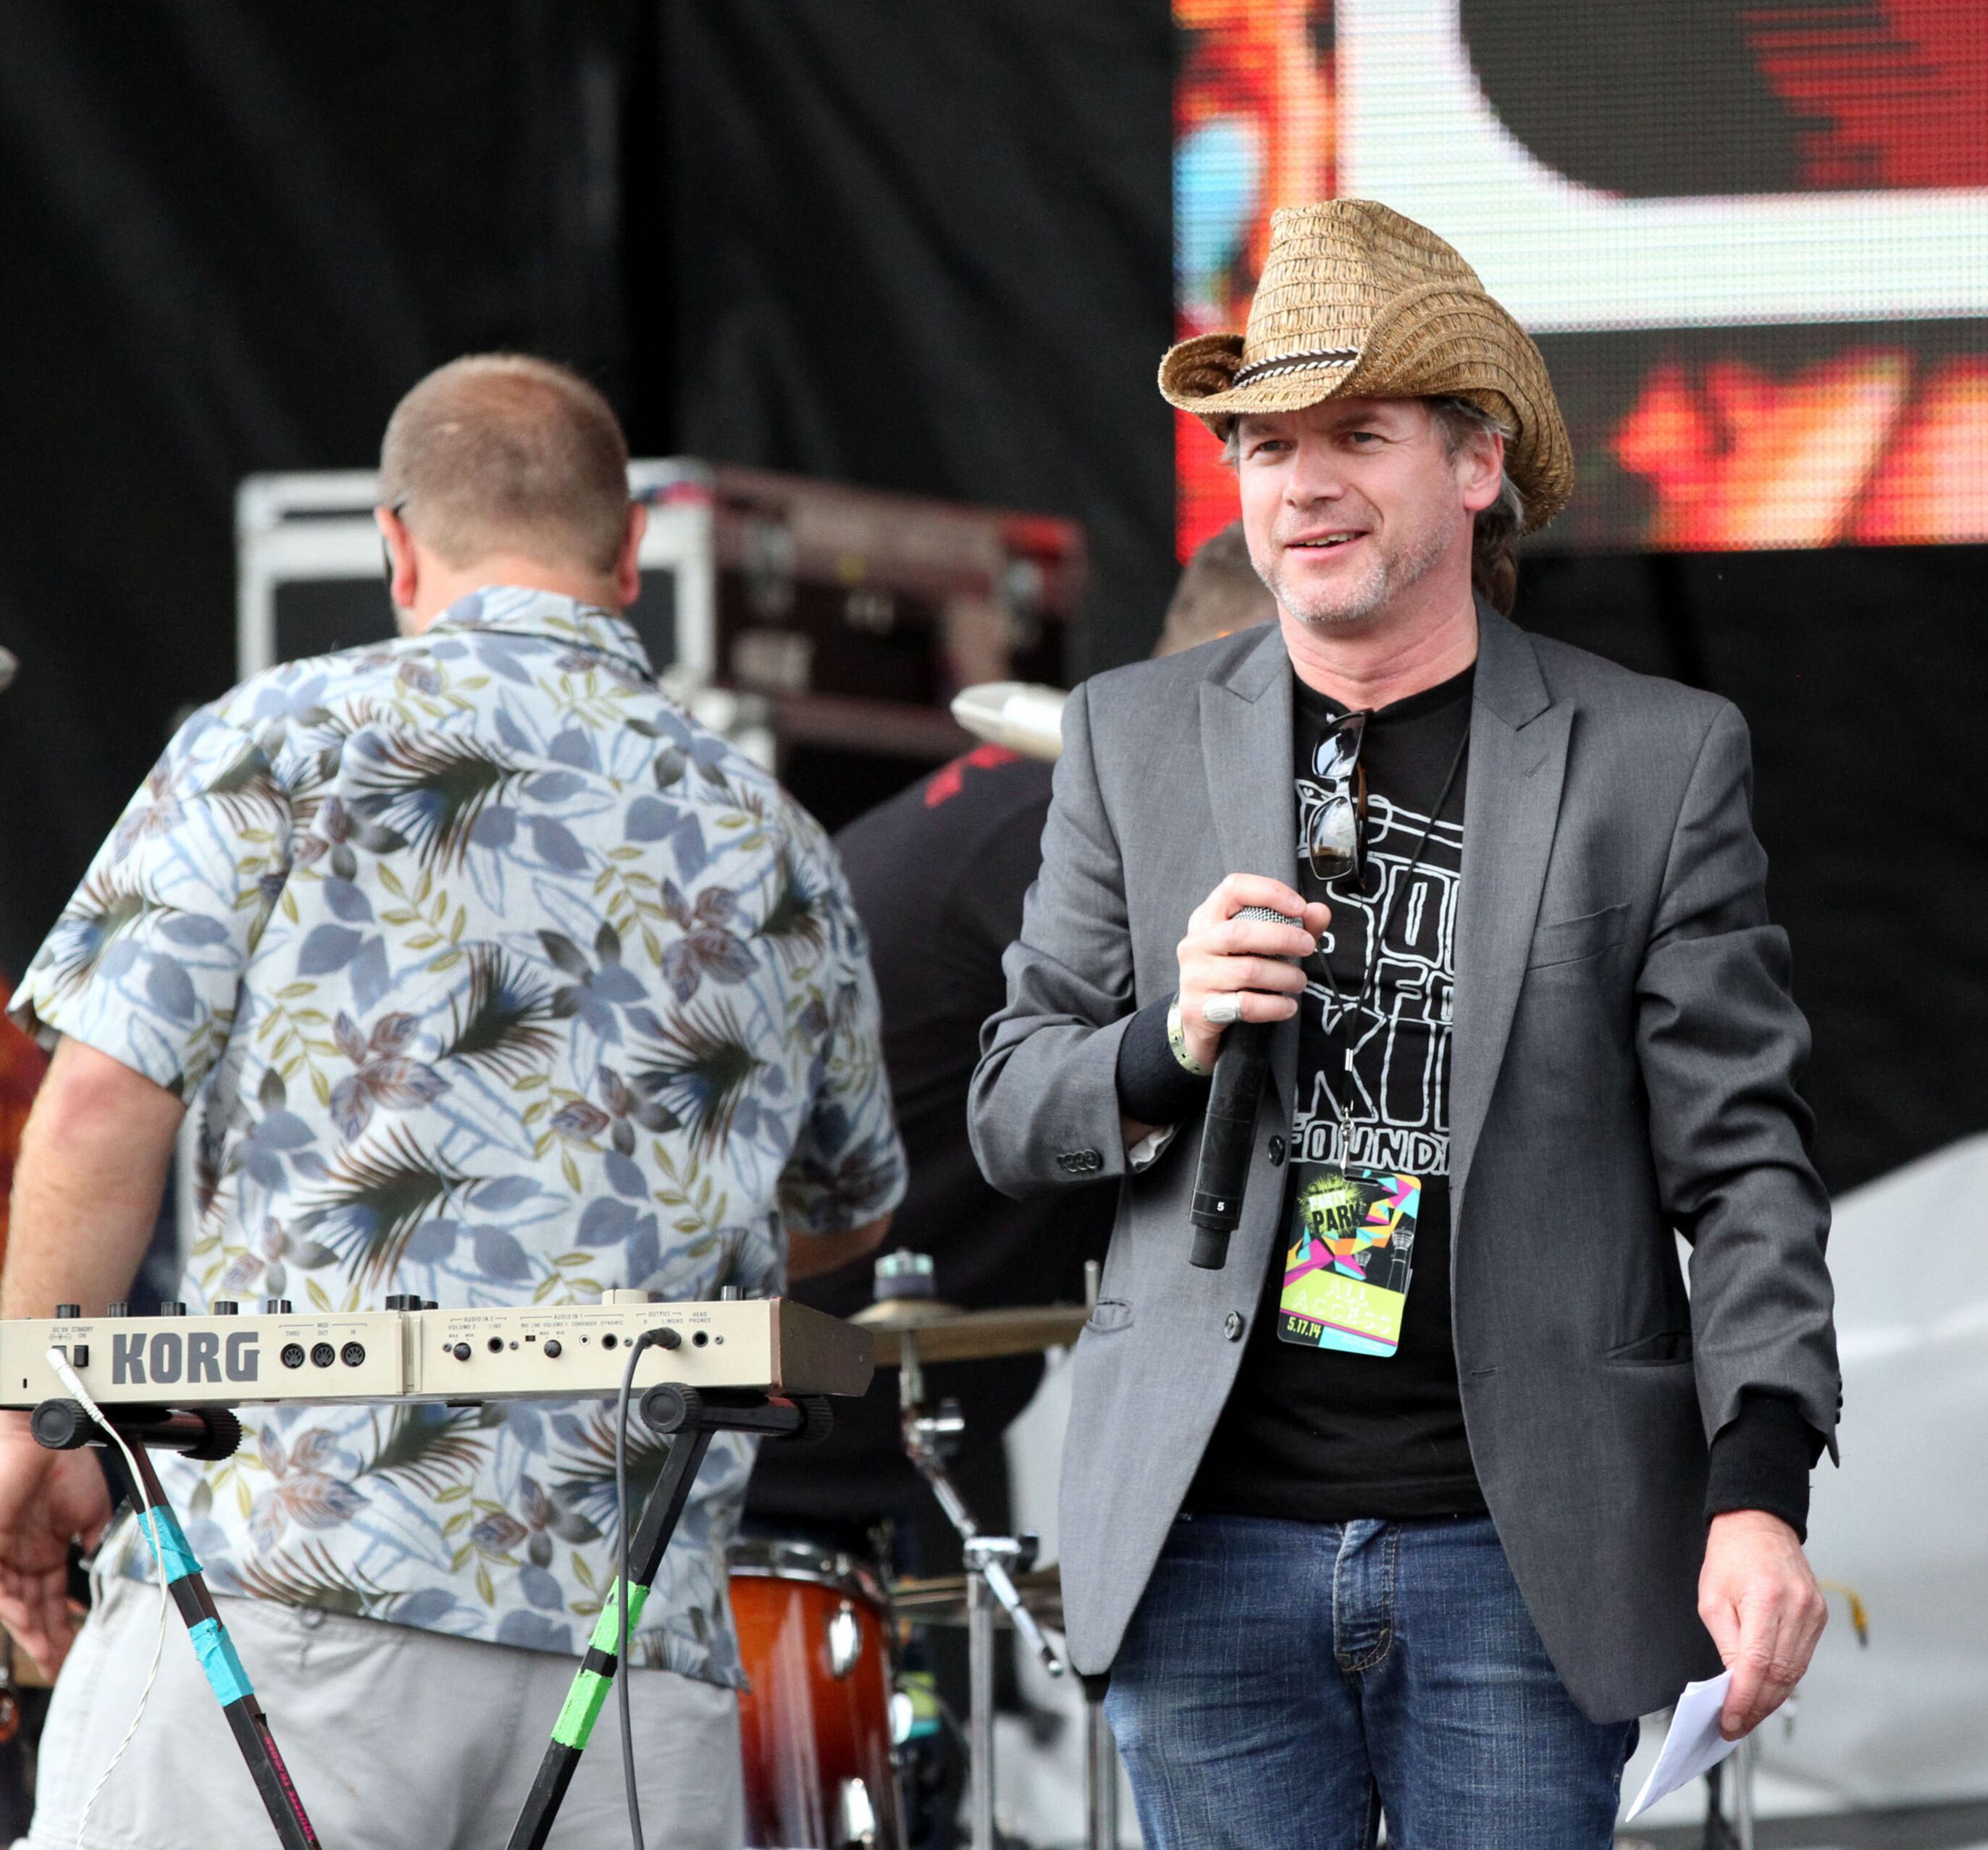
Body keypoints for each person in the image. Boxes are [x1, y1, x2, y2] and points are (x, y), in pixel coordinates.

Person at [970, 199, 1841, 1847]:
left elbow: (1746, 1170)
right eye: (1267, 445)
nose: (1301, 484)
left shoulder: (1653, 757)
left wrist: (1759, 1490)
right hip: (1206, 1551)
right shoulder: (1130, 737)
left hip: (1515, 1555)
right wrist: (1169, 1039)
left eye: (1358, 434)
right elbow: (1015, 1108)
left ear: (1477, 461)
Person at [0, 353, 904, 1850]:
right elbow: (843, 1208)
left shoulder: (280, 735)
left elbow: (99, 1099)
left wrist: (30, 1421)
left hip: (296, 1590)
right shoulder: (778, 837)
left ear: (397, 546)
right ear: (628, 554)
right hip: (636, 1652)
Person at [739, 522, 1276, 1830]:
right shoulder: (1058, 833)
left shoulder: (1036, 801)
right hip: (801, 1431)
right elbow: (1255, 1094)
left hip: (887, 1409)